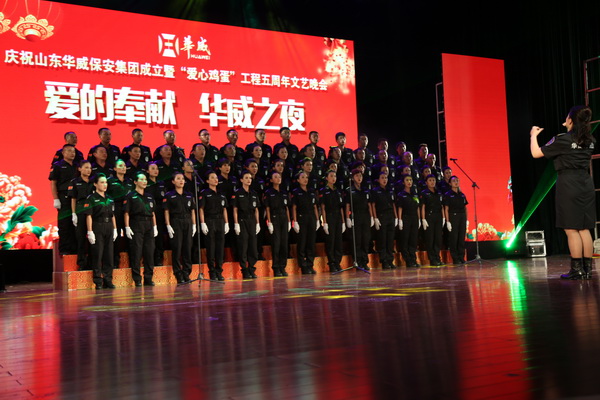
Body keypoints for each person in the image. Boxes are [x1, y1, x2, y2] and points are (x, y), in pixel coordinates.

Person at [530, 105, 596, 279]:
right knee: (584, 228)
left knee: (571, 228)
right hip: (586, 183)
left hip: (568, 183)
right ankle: (588, 270)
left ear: (571, 120)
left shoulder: (562, 139)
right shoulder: (590, 140)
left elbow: (536, 153)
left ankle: (576, 269)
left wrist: (533, 135)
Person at [83, 174, 118, 289]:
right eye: (102, 182)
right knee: (98, 254)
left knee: (109, 254)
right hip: (98, 225)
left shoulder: (110, 198)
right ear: (95, 184)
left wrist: (115, 228)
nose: (105, 185)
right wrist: (90, 231)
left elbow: (112, 215)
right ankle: (98, 280)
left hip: (109, 226)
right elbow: (89, 215)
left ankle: (108, 279)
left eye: (106, 182)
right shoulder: (91, 198)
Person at [124, 172, 158, 286]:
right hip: (136, 223)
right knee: (136, 252)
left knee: (149, 252)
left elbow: (153, 212)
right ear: (135, 182)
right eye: (141, 179)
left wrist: (155, 226)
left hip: (149, 224)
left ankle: (148, 277)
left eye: (145, 180)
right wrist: (127, 227)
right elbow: (126, 212)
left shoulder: (149, 196)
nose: (144, 181)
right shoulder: (131, 196)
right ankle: (137, 278)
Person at [164, 172, 196, 283]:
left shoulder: (189, 195)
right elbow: (166, 211)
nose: (181, 180)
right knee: (177, 248)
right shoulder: (169, 195)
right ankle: (178, 273)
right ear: (173, 181)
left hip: (187, 221)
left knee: (187, 248)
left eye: (182, 178)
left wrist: (194, 224)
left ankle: (186, 272)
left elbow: (192, 211)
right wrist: (168, 225)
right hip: (176, 221)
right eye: (178, 178)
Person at [199, 171, 229, 281]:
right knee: (211, 247)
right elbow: (201, 209)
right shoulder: (204, 193)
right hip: (210, 220)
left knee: (220, 247)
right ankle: (212, 271)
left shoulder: (221, 193)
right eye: (212, 177)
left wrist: (226, 223)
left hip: (220, 220)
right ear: (207, 181)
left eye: (216, 177)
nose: (215, 179)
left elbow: (224, 209)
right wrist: (203, 223)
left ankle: (219, 271)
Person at [50, 144, 78, 255]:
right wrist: (56, 198)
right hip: (64, 197)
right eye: (69, 151)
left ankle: (75, 249)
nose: (72, 153)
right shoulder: (58, 165)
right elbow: (53, 183)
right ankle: (65, 250)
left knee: (75, 224)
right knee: (65, 224)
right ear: (63, 153)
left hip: (76, 198)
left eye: (74, 151)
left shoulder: (77, 165)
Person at [232, 171, 260, 279]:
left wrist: (257, 223)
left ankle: (252, 268)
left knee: (253, 246)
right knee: (243, 245)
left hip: (252, 220)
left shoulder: (254, 193)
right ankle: (244, 269)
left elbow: (256, 210)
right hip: (242, 220)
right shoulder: (238, 193)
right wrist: (236, 223)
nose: (249, 180)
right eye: (246, 178)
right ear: (241, 180)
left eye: (250, 178)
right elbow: (235, 209)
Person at [107, 160, 134, 268]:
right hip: (116, 210)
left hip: (128, 210)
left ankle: (132, 262)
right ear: (115, 168)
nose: (123, 167)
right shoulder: (110, 181)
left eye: (124, 165)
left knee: (131, 236)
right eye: (120, 165)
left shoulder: (130, 181)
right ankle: (115, 262)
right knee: (116, 237)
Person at [292, 171, 320, 274]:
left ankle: (310, 264)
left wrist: (317, 219)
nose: (305, 179)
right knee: (302, 242)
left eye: (306, 177)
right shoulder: (296, 192)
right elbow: (294, 208)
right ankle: (303, 265)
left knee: (311, 242)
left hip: (311, 217)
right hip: (301, 217)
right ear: (298, 180)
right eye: (303, 177)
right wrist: (295, 221)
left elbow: (315, 206)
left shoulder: (311, 191)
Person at [68, 159, 94, 270]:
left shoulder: (94, 181)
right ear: (79, 169)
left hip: (93, 211)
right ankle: (82, 263)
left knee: (93, 239)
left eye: (90, 168)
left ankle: (93, 263)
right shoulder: (75, 182)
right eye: (86, 168)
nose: (89, 170)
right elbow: (73, 199)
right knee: (81, 238)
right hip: (80, 211)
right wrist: (74, 213)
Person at [264, 171, 291, 276]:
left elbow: (286, 208)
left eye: (279, 176)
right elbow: (267, 208)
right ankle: (276, 267)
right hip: (274, 218)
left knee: (284, 243)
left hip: (284, 218)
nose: (278, 178)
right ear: (271, 180)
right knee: (276, 243)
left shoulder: (284, 192)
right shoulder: (269, 192)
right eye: (275, 177)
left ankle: (283, 266)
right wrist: (269, 222)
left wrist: (289, 221)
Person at [345, 169, 374, 270]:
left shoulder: (365, 189)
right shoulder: (349, 190)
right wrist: (348, 218)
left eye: (360, 176)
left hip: (365, 216)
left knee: (365, 240)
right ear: (353, 178)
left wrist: (372, 217)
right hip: (356, 216)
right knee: (357, 240)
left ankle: (364, 261)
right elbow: (347, 205)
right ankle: (357, 261)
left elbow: (369, 205)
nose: (359, 178)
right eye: (357, 176)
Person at [371, 172, 399, 269]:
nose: (384, 180)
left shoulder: (390, 190)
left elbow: (393, 204)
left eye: (386, 178)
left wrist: (396, 217)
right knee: (382, 239)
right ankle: (384, 260)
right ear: (378, 180)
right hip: (381, 216)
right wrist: (375, 218)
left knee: (390, 239)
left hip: (390, 216)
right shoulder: (375, 191)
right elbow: (373, 205)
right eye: (382, 178)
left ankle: (390, 260)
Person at [319, 170, 346, 272]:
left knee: (338, 241)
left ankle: (338, 262)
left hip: (338, 216)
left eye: (334, 176)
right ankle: (332, 262)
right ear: (326, 178)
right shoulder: (324, 191)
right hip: (329, 216)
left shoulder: (337, 191)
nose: (333, 178)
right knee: (331, 240)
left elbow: (341, 207)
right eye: (331, 176)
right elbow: (323, 207)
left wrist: (343, 221)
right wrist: (324, 222)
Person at [397, 174, 421, 267]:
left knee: (413, 239)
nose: (409, 182)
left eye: (410, 180)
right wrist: (400, 220)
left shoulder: (414, 194)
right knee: (405, 239)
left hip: (414, 218)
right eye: (407, 180)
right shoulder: (401, 195)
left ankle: (413, 259)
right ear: (403, 182)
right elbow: (400, 208)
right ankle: (407, 260)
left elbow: (417, 207)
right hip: (405, 218)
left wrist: (419, 219)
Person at [146, 162, 167, 266]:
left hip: (161, 211)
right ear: (147, 171)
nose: (155, 170)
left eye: (157, 168)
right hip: (149, 211)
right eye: (153, 168)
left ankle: (159, 256)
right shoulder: (146, 183)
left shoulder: (161, 182)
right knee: (151, 236)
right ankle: (150, 258)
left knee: (160, 236)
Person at [443, 176, 468, 264]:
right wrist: (447, 221)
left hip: (462, 216)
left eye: (457, 180)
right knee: (454, 238)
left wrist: (466, 220)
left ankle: (461, 257)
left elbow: (465, 208)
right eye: (454, 181)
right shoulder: (448, 194)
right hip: (453, 216)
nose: (456, 182)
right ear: (450, 183)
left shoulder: (462, 194)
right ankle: (455, 258)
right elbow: (446, 208)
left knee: (461, 237)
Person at [420, 174, 444, 266]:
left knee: (438, 238)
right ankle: (432, 258)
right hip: (429, 216)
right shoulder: (424, 193)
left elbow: (441, 206)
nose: (432, 182)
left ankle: (437, 257)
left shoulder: (438, 192)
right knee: (430, 238)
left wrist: (444, 218)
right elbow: (423, 206)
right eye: (430, 180)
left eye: (433, 180)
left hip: (438, 216)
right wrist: (423, 219)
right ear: (426, 182)